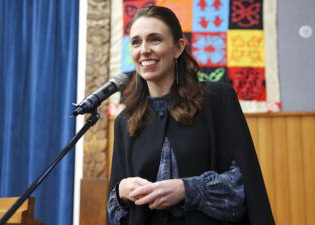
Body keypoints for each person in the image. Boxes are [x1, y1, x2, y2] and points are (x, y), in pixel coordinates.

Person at [107, 6, 275, 225]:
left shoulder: (217, 100)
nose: (144, 50)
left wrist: (188, 189)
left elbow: (244, 186)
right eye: (136, 42)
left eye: (155, 40)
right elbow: (114, 209)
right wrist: (121, 191)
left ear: (178, 48)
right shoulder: (125, 120)